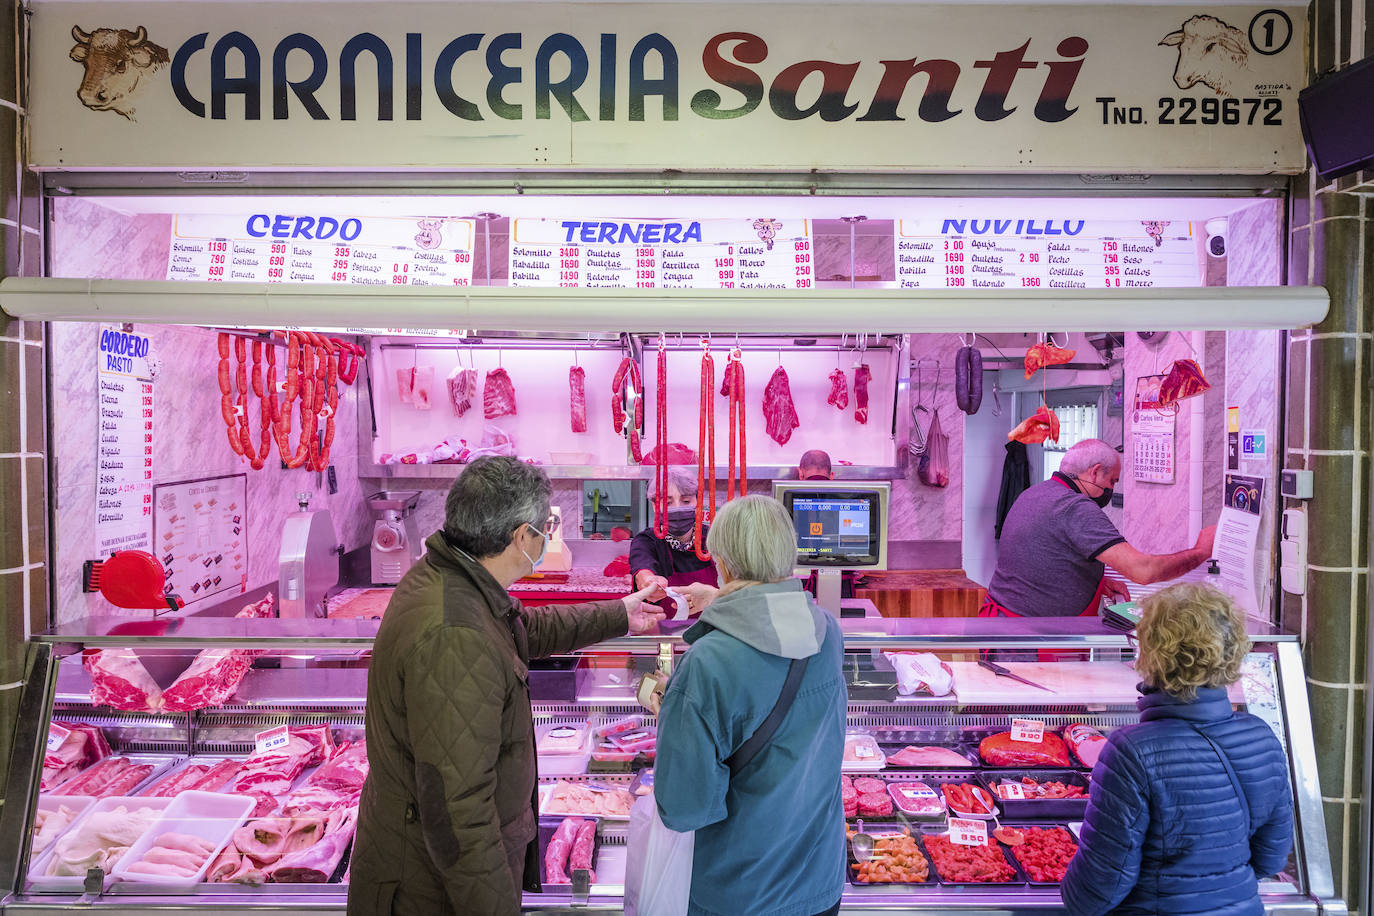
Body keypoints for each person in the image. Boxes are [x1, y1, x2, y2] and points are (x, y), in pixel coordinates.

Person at [348, 456, 665, 916]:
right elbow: (460, 816)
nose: (545, 538)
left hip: (426, 871)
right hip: (427, 890)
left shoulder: (453, 577)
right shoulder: (455, 635)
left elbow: (524, 629)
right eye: (543, 529)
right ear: (522, 537)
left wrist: (621, 614)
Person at [656, 495, 847, 916]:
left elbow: (685, 809)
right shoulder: (828, 632)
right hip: (820, 884)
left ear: (721, 561)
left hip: (739, 895)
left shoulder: (705, 663)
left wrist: (679, 709)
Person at [1060, 582, 1293, 915]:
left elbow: (1100, 888)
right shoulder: (1262, 737)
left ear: (1153, 651)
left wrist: (1064, 892)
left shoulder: (1132, 750)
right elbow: (1270, 858)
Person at [984, 438, 1216, 619]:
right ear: (1094, 472)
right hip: (1033, 641)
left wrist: (1097, 581)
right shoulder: (1075, 508)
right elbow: (1143, 571)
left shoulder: (1035, 493)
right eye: (1112, 481)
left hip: (1003, 626)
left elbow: (1039, 557)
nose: (1110, 489)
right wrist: (1200, 552)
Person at [629, 464, 718, 603]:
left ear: (698, 501)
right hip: (661, 623)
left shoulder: (715, 538)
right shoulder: (646, 541)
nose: (678, 508)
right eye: (668, 503)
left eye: (686, 501)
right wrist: (647, 581)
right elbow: (642, 567)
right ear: (654, 506)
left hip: (709, 622)